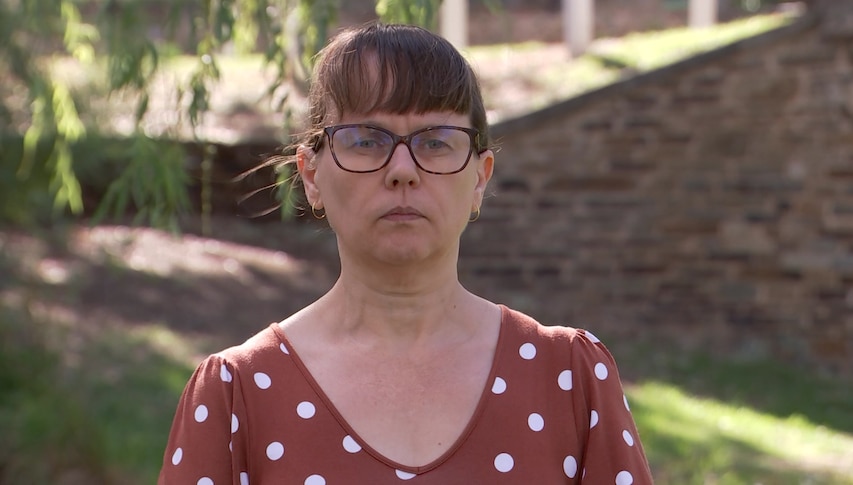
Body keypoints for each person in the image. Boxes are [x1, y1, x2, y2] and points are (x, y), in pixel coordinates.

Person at [158, 22, 653, 484]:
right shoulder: (236, 395)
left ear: (479, 177)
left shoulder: (569, 378)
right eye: (366, 140)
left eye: (435, 142)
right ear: (311, 176)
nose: (402, 170)